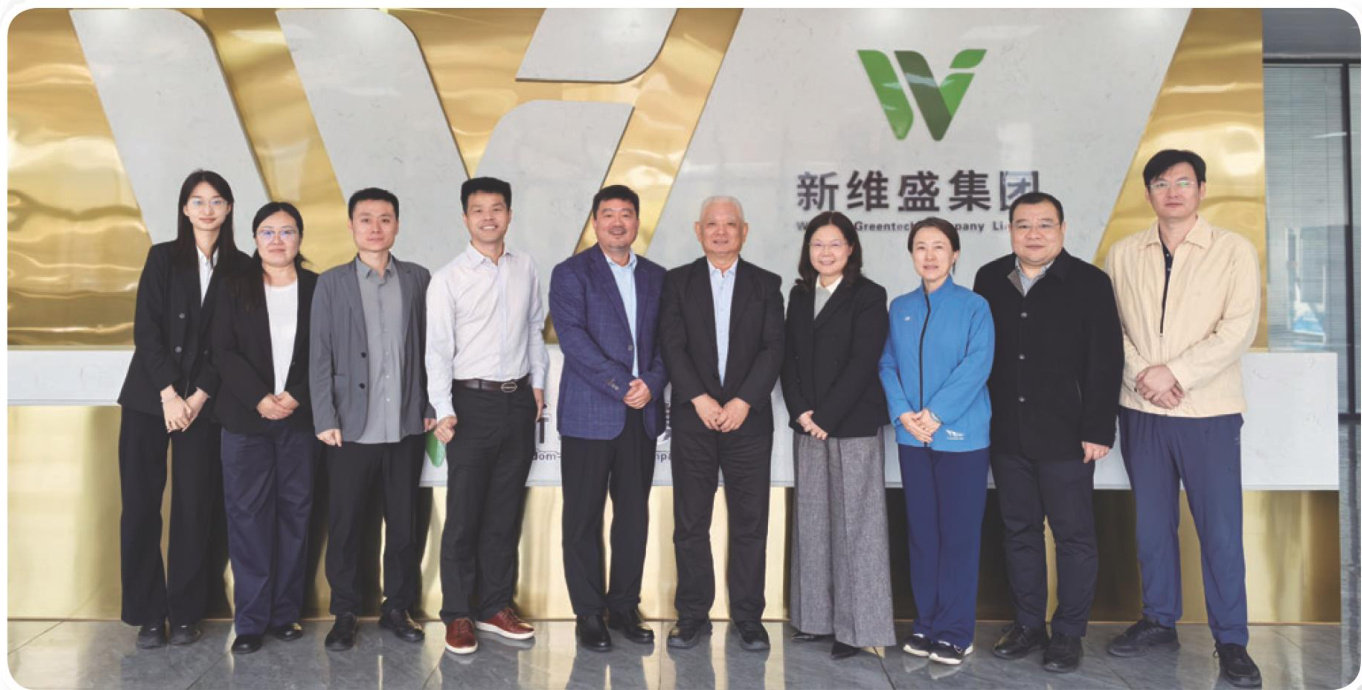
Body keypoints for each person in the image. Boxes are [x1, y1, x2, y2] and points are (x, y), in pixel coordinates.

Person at [1104, 149, 1262, 688]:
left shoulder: (1233, 250)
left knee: (1220, 529)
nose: (1172, 192)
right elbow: (1111, 329)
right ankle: (1158, 620)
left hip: (1209, 411)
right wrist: (1144, 376)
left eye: (1183, 182)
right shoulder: (1124, 253)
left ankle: (1232, 640)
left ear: (1201, 190)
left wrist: (1175, 373)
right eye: (1161, 183)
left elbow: (1237, 329)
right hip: (1142, 410)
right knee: (1153, 526)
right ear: (1147, 192)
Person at [973, 192, 1122, 673]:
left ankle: (1069, 633)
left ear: (1062, 229)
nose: (1033, 234)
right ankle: (1028, 624)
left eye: (1044, 224)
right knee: (1019, 531)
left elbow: (1106, 360)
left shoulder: (1090, 283)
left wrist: (1098, 428)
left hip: (1067, 435)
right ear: (1010, 230)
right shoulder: (989, 278)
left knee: (1073, 536)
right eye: (1023, 225)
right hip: (1006, 432)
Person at [117, 169, 243, 649]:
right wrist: (169, 394)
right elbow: (146, 330)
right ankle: (149, 614)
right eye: (198, 201)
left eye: (216, 201)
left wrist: (198, 396)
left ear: (229, 209)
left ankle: (187, 611)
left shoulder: (241, 267)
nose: (207, 209)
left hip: (204, 406)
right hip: (150, 399)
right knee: (141, 506)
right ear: (185, 209)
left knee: (195, 507)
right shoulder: (163, 257)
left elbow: (230, 343)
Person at [426, 177, 548, 655]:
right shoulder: (448, 278)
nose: (488, 217)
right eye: (478, 210)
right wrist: (444, 409)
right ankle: (458, 613)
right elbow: (438, 350)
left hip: (518, 401)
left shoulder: (525, 267)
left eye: (497, 208)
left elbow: (534, 328)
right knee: (464, 515)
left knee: (504, 511)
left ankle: (495, 606)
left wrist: (538, 384)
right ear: (465, 218)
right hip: (470, 404)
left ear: (509, 215)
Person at [310, 187, 434, 651]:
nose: (375, 227)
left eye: (385, 219)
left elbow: (432, 349)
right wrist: (325, 415)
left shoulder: (419, 278)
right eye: (366, 219)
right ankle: (344, 611)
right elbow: (319, 354)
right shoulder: (331, 283)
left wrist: (429, 406)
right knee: (345, 524)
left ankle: (397, 607)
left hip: (405, 424)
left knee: (403, 524)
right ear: (351, 226)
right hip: (349, 426)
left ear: (397, 225)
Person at [659, 195, 784, 652]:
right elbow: (671, 345)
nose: (721, 231)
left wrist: (743, 402)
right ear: (698, 231)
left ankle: (748, 616)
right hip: (694, 418)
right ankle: (692, 614)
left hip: (748, 421)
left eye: (730, 224)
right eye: (712, 224)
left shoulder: (767, 284)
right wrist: (700, 398)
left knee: (750, 522)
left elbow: (774, 348)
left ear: (744, 232)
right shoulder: (677, 282)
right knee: (691, 521)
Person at [550, 185, 668, 651]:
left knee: (632, 517)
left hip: (641, 416)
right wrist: (623, 385)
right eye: (608, 214)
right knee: (582, 518)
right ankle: (588, 613)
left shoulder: (657, 277)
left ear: (637, 221)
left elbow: (668, 341)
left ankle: (623, 606)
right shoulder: (571, 273)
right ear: (595, 222)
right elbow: (573, 340)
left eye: (626, 214)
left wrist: (652, 382)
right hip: (589, 415)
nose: (618, 222)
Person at [878, 217, 994, 666]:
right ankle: (926, 623)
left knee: (959, 537)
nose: (929, 255)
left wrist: (936, 414)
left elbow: (977, 364)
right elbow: (888, 364)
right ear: (912, 255)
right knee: (923, 534)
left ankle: (956, 631)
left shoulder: (974, 307)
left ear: (955, 254)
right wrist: (903, 413)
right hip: (913, 439)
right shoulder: (900, 307)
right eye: (921, 247)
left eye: (939, 247)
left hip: (961, 440)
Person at [780, 211, 894, 659]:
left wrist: (825, 416)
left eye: (834, 244)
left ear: (850, 249)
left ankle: (857, 628)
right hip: (808, 425)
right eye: (817, 244)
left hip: (852, 424)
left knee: (857, 528)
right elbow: (788, 358)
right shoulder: (799, 294)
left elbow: (864, 360)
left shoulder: (869, 295)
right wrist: (800, 412)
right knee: (812, 523)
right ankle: (814, 620)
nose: (825, 252)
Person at [213, 202, 318, 655]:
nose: (278, 240)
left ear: (300, 238)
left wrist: (296, 394)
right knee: (247, 517)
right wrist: (259, 397)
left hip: (301, 419)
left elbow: (328, 351)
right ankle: (251, 621)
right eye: (268, 232)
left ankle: (285, 613)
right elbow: (222, 351)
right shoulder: (234, 287)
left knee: (295, 515)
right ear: (255, 239)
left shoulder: (318, 288)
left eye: (287, 231)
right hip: (244, 421)